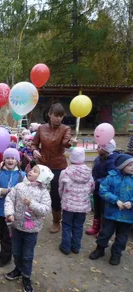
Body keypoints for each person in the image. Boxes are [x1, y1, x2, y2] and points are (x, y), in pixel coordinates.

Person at [4, 165, 53, 292]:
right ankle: (18, 269)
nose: (31, 171)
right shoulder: (20, 186)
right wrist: (9, 213)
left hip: (31, 230)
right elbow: (9, 199)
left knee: (27, 255)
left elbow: (45, 210)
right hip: (17, 226)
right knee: (16, 252)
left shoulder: (44, 192)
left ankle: (26, 276)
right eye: (31, 169)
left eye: (35, 171)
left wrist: (31, 204)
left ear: (41, 177)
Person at [31, 103, 77, 233]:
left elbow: (65, 143)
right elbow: (34, 144)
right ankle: (32, 217)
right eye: (56, 115)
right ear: (50, 114)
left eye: (61, 116)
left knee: (55, 194)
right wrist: (34, 151)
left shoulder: (65, 129)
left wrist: (70, 142)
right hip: (42, 164)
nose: (58, 118)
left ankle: (56, 221)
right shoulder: (41, 128)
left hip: (58, 166)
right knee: (35, 190)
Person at [89, 154, 133, 266]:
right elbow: (103, 190)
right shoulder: (111, 177)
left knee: (122, 237)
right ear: (121, 166)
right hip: (111, 214)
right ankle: (100, 249)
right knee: (105, 233)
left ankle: (116, 254)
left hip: (127, 216)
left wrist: (131, 202)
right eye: (130, 165)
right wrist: (116, 200)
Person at [0, 148, 25, 267]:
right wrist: (3, 191)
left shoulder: (22, 175)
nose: (10, 160)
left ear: (17, 161)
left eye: (13, 158)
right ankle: (4, 251)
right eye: (8, 158)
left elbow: (26, 192)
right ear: (4, 160)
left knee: (8, 234)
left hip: (12, 211)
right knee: (1, 232)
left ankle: (6, 256)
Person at [58, 147, 95, 255]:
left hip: (68, 205)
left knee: (66, 225)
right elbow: (92, 187)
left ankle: (65, 247)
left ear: (71, 157)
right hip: (82, 206)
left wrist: (63, 198)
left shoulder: (65, 172)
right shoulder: (88, 172)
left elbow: (61, 188)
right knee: (78, 226)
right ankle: (76, 247)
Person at [86, 140, 117, 236]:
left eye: (99, 147)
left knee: (104, 210)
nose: (96, 148)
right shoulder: (99, 158)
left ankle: (102, 229)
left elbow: (111, 176)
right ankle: (96, 226)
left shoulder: (112, 162)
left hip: (106, 190)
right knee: (97, 208)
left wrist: (97, 182)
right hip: (96, 189)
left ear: (106, 149)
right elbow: (94, 171)